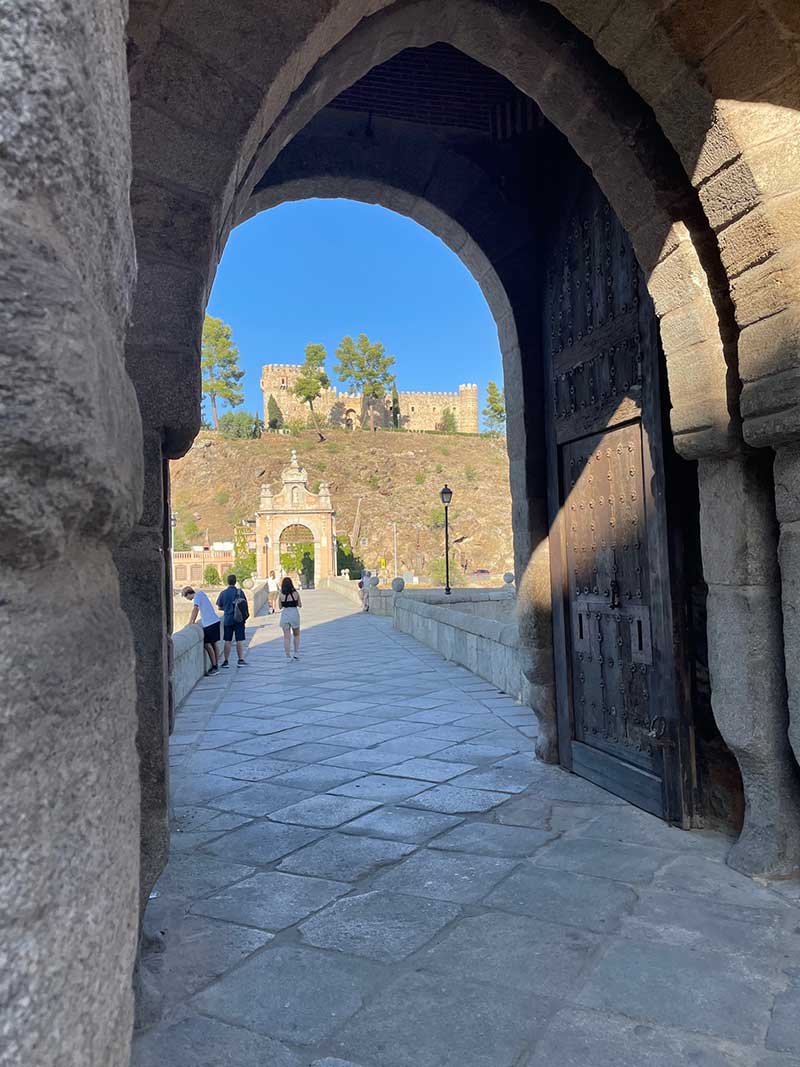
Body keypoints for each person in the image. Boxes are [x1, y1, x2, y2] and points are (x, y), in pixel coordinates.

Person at [182, 585, 220, 675]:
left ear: (188, 594)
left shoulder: (197, 597)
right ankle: (216, 665)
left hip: (209, 623)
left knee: (207, 644)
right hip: (215, 621)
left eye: (186, 597)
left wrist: (191, 622)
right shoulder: (201, 593)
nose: (187, 599)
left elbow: (195, 609)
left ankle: (215, 667)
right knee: (214, 643)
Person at [216, 573, 248, 667]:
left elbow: (219, 607)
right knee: (239, 640)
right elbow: (244, 605)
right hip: (239, 620)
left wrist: (227, 608)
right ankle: (240, 659)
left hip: (228, 619)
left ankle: (226, 661)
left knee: (227, 640)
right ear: (235, 581)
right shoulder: (240, 592)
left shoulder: (223, 593)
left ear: (227, 582)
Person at [278, 576, 302, 661]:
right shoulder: (296, 593)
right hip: (294, 614)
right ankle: (296, 653)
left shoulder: (281, 595)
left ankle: (287, 655)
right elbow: (300, 605)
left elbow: (280, 607)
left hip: (285, 615)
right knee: (296, 635)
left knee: (286, 637)